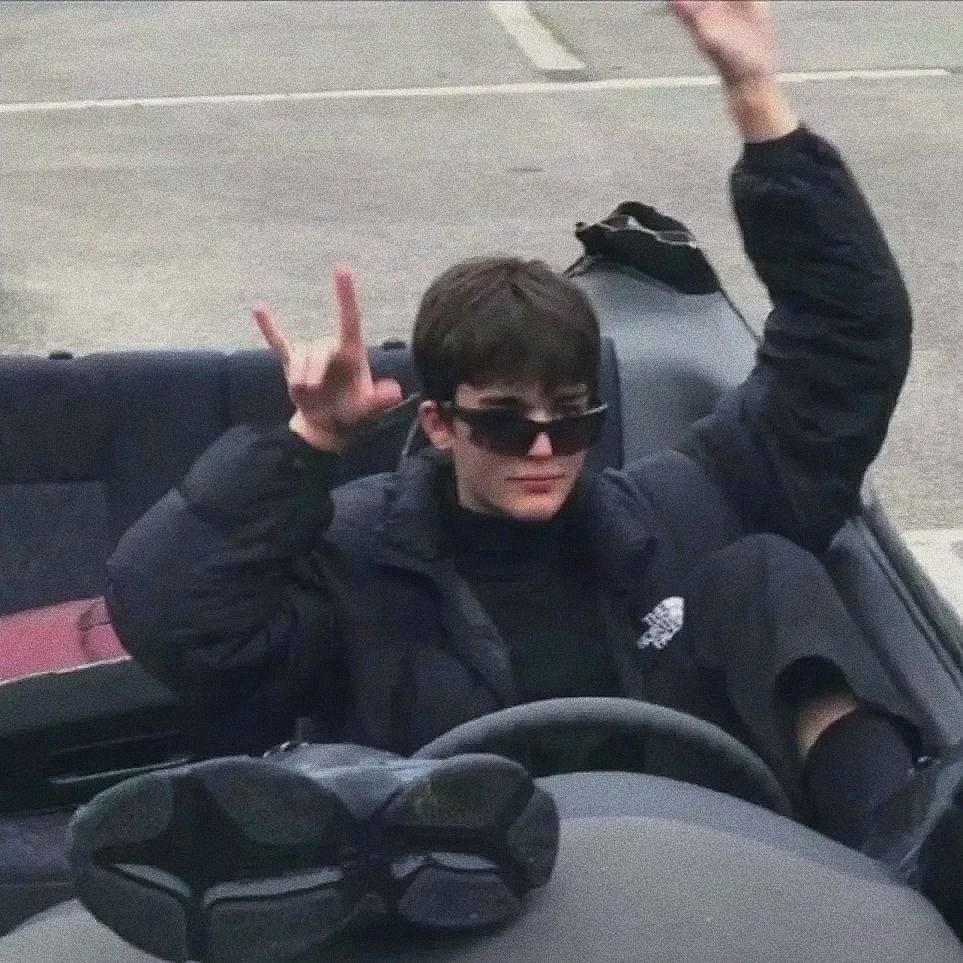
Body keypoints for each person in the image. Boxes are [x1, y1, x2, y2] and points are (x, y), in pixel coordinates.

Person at [61, 1, 963, 960]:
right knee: (329, 774)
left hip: (699, 901)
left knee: (771, 572)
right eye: (504, 422)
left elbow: (845, 346)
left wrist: (756, 98)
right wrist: (306, 440)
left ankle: (906, 872)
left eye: (569, 420)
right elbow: (172, 617)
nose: (542, 449)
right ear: (439, 424)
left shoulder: (678, 510)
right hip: (468, 928)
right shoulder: (354, 559)